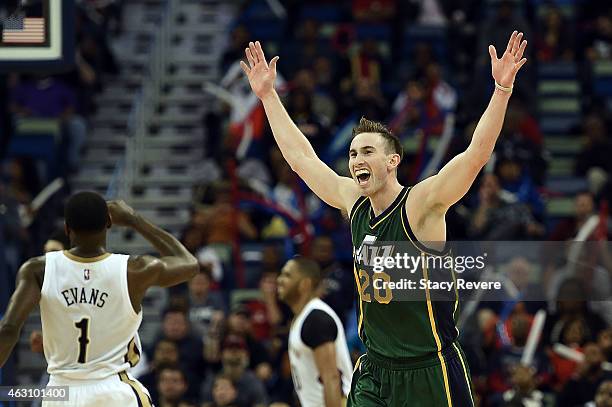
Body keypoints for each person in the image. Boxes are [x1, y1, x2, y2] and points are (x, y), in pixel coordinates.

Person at [241, 30, 528, 406]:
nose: (357, 160)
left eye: (368, 152)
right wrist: (268, 96)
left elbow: (475, 155)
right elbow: (302, 160)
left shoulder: (421, 205)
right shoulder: (354, 201)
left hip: (429, 368)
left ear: (392, 161)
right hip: (376, 369)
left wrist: (501, 91)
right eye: (353, 153)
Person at [0, 191, 199, 406]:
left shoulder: (38, 270)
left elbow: (8, 330)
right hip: (115, 392)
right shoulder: (134, 270)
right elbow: (189, 264)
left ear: (67, 228)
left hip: (61, 393)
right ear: (109, 223)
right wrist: (134, 220)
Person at [277, 256, 353, 407]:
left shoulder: (316, 319)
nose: (279, 279)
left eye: (287, 275)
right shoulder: (302, 317)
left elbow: (331, 377)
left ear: (305, 284)